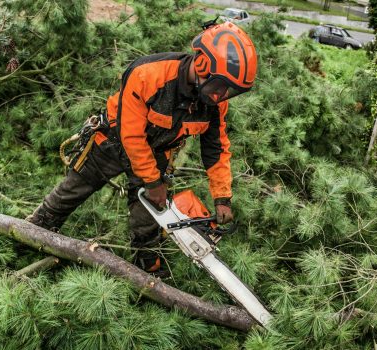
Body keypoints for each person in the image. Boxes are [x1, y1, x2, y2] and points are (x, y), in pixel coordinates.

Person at [26, 21, 258, 273]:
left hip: (158, 152)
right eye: (220, 86)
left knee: (148, 221)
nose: (221, 95)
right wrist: (153, 182)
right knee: (71, 192)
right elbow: (132, 136)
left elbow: (217, 150)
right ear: (202, 64)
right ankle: (31, 234)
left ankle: (147, 274)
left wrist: (222, 198)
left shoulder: (214, 102)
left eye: (229, 91)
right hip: (112, 141)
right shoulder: (149, 75)